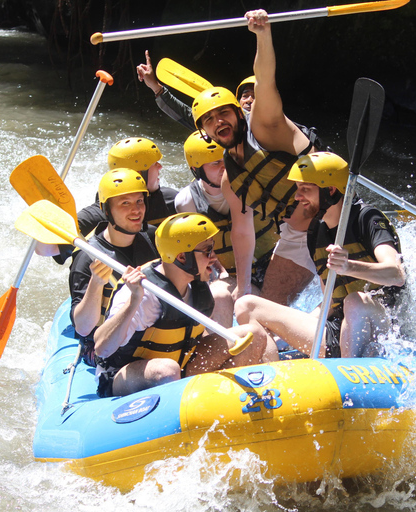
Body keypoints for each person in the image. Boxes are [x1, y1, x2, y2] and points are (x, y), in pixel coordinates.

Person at [191, 9, 325, 307]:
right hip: (297, 234)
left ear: (240, 112)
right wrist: (243, 286)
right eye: (210, 120)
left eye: (224, 112)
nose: (219, 121)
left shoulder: (266, 125)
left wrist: (263, 36)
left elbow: (265, 80)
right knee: (262, 307)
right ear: (205, 132)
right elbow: (242, 232)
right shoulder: (230, 178)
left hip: (335, 216)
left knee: (349, 300)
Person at [235, 152, 406, 358]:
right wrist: (292, 331)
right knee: (247, 305)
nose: (298, 197)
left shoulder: (367, 218)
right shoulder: (316, 232)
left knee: (354, 301)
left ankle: (348, 373)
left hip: (382, 327)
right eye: (298, 190)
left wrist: (349, 267)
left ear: (330, 190)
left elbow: (396, 274)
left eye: (305, 190)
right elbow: (330, 303)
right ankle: (268, 374)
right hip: (338, 330)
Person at [93, 212, 272, 397]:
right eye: (207, 251)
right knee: (167, 370)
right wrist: (133, 301)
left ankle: (222, 398)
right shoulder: (145, 294)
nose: (213, 257)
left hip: (181, 366)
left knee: (254, 335)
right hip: (127, 376)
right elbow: (102, 348)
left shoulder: (195, 283)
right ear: (182, 258)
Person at [175, 130, 279, 326]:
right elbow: (202, 249)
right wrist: (220, 271)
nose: (224, 168)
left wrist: (244, 286)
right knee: (219, 296)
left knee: (250, 302)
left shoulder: (253, 185)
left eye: (226, 160)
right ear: (196, 169)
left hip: (272, 265)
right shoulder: (186, 201)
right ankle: (226, 350)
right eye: (215, 163)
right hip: (230, 273)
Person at [36, 137, 178, 262]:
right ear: (139, 172)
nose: (160, 167)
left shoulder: (171, 199)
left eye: (140, 201)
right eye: (154, 164)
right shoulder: (100, 213)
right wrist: (48, 214)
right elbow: (45, 250)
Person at [68, 168, 159, 362]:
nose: (136, 210)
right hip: (108, 348)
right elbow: (83, 327)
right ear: (106, 210)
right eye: (125, 203)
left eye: (139, 201)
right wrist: (96, 283)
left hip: (152, 334)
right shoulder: (87, 257)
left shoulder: (153, 237)